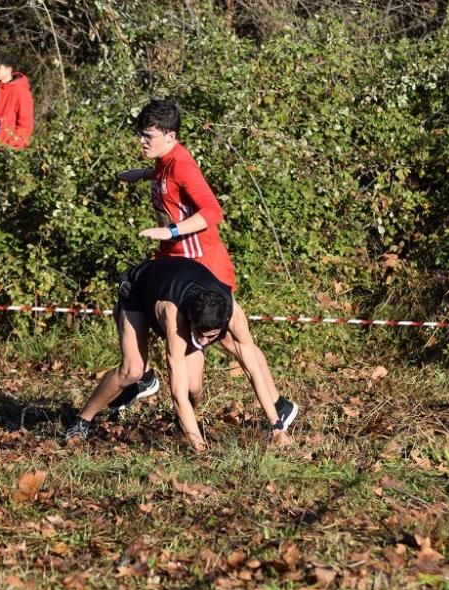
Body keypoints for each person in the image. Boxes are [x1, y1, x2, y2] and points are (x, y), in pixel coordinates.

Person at [64, 257, 298, 449]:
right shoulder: (175, 319)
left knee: (194, 387)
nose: (205, 341)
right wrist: (199, 446)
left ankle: (184, 425)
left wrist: (277, 426)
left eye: (211, 336)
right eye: (200, 335)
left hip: (177, 281)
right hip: (139, 290)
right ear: (191, 322)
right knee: (132, 370)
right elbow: (176, 393)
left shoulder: (234, 314)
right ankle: (83, 419)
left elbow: (253, 370)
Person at [110, 99, 245, 410]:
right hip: (171, 263)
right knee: (127, 303)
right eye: (141, 135)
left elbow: (212, 211)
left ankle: (276, 408)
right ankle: (142, 376)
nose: (142, 141)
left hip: (198, 268)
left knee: (222, 353)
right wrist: (144, 174)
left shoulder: (181, 164)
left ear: (170, 137)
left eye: (149, 136)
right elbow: (168, 180)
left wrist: (169, 231)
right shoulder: (164, 161)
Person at [0, 51, 33, 149]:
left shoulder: (21, 91)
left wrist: (12, 146)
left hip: (10, 152)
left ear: (8, 69)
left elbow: (25, 127)